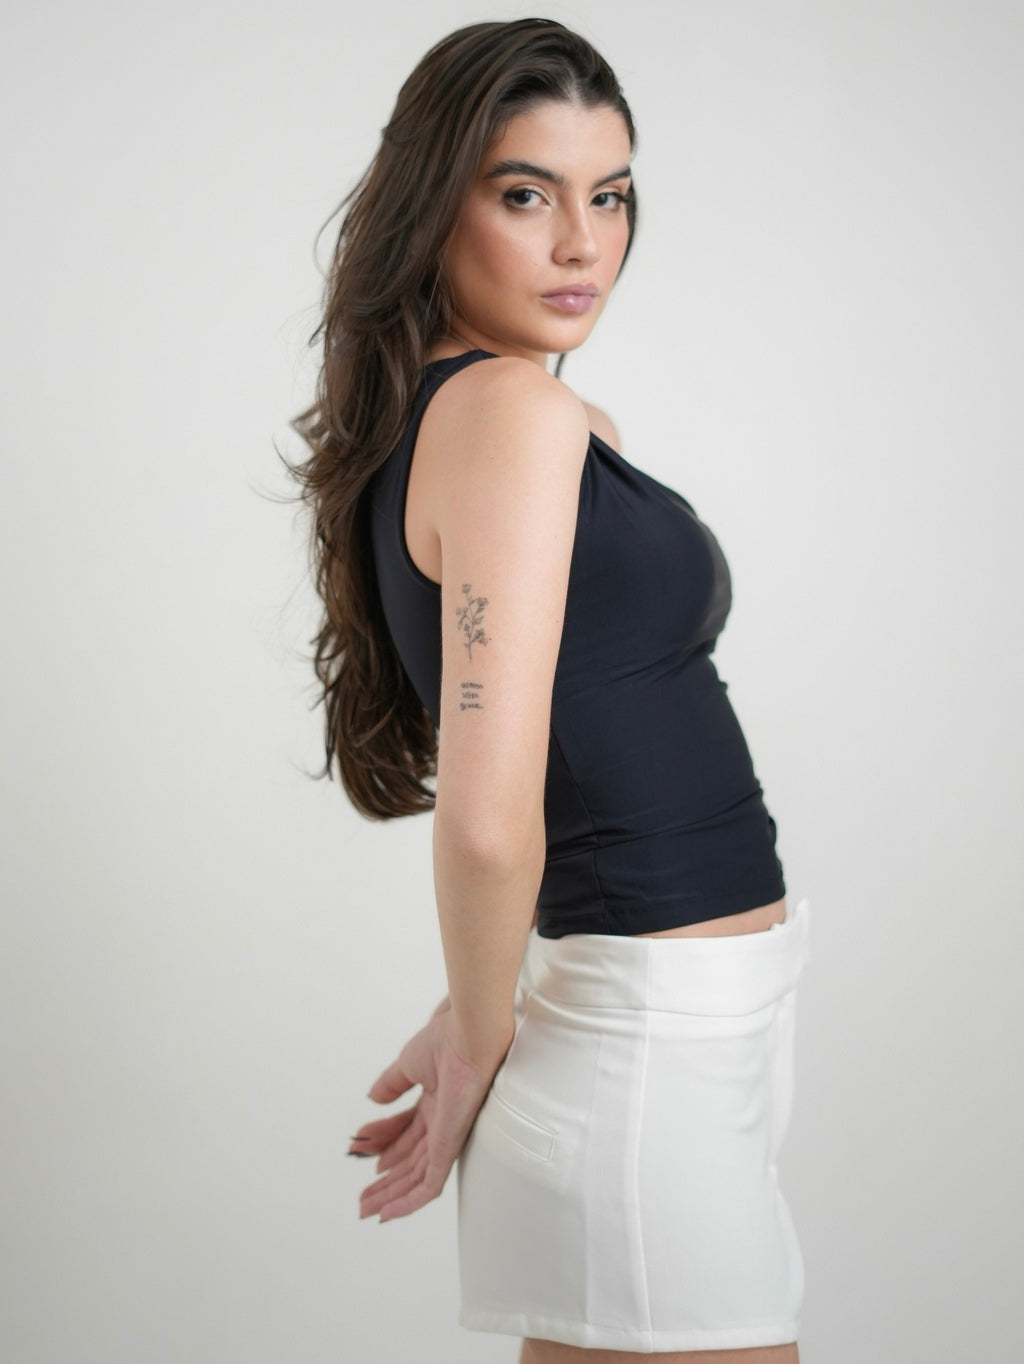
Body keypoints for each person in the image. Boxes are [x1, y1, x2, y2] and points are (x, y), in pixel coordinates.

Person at [292, 18, 810, 1363]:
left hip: (662, 1022)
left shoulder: (508, 418)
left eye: (611, 195)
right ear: (435, 205)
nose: (584, 243)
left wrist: (482, 1006)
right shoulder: (510, 417)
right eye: (527, 195)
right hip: (642, 1041)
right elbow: (487, 814)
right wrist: (480, 1033)